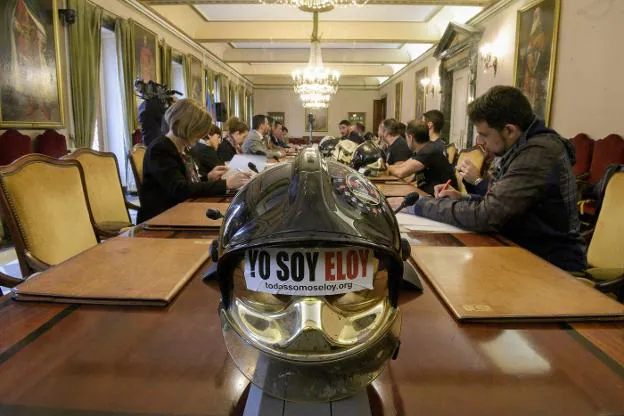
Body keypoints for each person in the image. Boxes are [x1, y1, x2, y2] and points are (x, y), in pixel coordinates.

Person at [391, 86, 586, 272]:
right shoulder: (520, 146)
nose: (480, 142)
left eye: (484, 135)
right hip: (519, 249)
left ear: (509, 130)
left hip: (552, 264)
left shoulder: (539, 153)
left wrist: (421, 206)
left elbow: (488, 216)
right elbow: (504, 205)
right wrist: (464, 198)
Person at [138, 99, 250, 223]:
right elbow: (180, 189)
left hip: (181, 211)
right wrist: (226, 184)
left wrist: (208, 178)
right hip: (161, 218)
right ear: (187, 127)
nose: (201, 137)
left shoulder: (181, 147)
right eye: (198, 131)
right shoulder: (160, 149)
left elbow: (185, 182)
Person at [388, 121, 457, 195]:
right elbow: (402, 166)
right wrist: (386, 167)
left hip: (443, 199)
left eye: (406, 137)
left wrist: (385, 168)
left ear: (410, 138)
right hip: (430, 195)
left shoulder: (429, 151)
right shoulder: (425, 148)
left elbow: (401, 173)